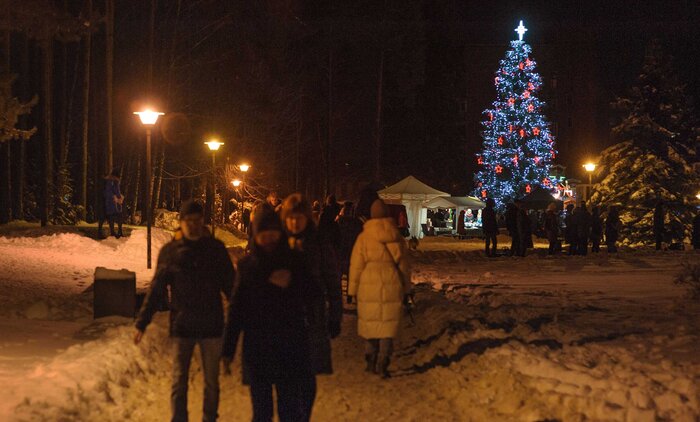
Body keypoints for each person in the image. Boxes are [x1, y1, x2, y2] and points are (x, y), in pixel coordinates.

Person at [134, 200, 235, 422]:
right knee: (179, 380)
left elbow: (231, 288)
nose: (193, 225)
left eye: (197, 220)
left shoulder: (215, 249)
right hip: (183, 325)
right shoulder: (171, 252)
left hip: (211, 326)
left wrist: (241, 320)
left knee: (211, 382)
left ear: (202, 222)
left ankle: (210, 418)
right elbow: (157, 289)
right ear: (181, 223)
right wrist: (142, 322)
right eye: (188, 221)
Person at [223, 205, 318, 422]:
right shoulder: (247, 266)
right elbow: (236, 309)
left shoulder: (295, 260)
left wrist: (292, 282)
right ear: (256, 236)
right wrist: (228, 350)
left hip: (290, 347)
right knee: (262, 412)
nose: (268, 239)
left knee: (290, 409)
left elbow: (313, 293)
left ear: (280, 233)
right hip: (258, 349)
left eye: (272, 233)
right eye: (263, 234)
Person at [280, 194, 343, 378]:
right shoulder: (279, 243)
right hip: (284, 316)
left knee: (308, 372)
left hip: (312, 315)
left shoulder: (318, 242)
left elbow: (332, 280)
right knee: (286, 373)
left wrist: (335, 316)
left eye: (298, 218)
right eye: (290, 218)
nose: (294, 223)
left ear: (306, 218)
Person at [348, 199, 410, 378]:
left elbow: (356, 265)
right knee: (387, 329)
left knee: (371, 326)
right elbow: (404, 266)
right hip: (392, 282)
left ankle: (370, 360)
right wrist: (407, 289)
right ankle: (383, 362)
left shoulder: (364, 237)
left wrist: (352, 290)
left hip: (368, 282)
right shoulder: (396, 236)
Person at [98, 168, 124, 239]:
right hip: (110, 202)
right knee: (115, 216)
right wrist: (117, 197)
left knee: (111, 216)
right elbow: (113, 191)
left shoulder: (110, 181)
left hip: (108, 202)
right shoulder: (112, 181)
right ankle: (117, 232)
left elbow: (111, 191)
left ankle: (115, 231)